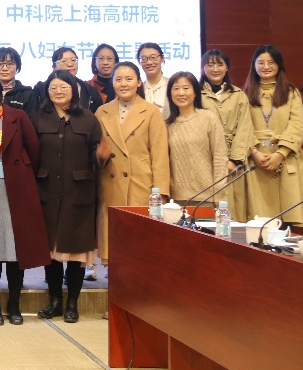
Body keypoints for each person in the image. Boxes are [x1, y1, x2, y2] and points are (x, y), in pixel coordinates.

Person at [0, 72, 50, 326]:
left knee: (16, 249)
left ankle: (14, 305)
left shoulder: (18, 116)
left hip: (18, 190)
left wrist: (23, 176)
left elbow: (34, 150)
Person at [30, 71, 103, 324]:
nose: (58, 91)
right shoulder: (38, 118)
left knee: (76, 253)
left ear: (74, 89)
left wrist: (101, 156)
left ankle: (73, 303)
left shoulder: (89, 119)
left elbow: (97, 154)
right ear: (47, 92)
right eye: (53, 87)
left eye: (63, 87)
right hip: (46, 190)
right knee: (51, 252)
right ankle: (54, 302)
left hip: (79, 193)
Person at [94, 62, 170, 264]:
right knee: (115, 246)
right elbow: (95, 149)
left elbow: (160, 154)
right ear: (112, 83)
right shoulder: (102, 112)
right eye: (118, 79)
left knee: (140, 247)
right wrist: (100, 156)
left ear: (138, 82)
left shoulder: (151, 112)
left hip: (141, 185)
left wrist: (161, 192)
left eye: (129, 79)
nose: (123, 84)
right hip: (111, 184)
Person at [243, 45, 303, 225]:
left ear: (279, 65)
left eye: (271, 62)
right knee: (259, 221)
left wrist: (280, 154)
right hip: (256, 161)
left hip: (285, 158)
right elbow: (242, 128)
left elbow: (298, 125)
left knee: (286, 219)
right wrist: (255, 152)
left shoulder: (291, 92)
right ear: (254, 65)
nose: (266, 66)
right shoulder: (244, 95)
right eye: (261, 62)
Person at [200, 49, 254, 220]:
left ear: (227, 68)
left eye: (219, 64)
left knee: (233, 210)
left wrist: (235, 160)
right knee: (207, 211)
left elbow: (245, 128)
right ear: (203, 69)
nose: (215, 69)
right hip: (205, 160)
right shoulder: (196, 95)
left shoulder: (238, 95)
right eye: (210, 65)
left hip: (233, 164)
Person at [166, 72, 229, 203]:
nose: (181, 93)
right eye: (176, 89)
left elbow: (220, 158)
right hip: (176, 200)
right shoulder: (167, 125)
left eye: (186, 88)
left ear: (195, 92)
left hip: (207, 197)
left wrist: (219, 195)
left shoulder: (209, 118)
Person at [33, 47, 103, 113]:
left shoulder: (90, 90)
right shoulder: (40, 90)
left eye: (73, 60)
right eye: (64, 61)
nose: (70, 64)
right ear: (54, 66)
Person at [0, 46, 37, 115]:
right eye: (0, 64)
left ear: (17, 67)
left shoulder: (27, 94)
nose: (5, 68)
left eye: (10, 64)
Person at [137, 42, 169, 119]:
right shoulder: (137, 89)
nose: (149, 62)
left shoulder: (172, 85)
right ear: (139, 62)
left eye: (153, 57)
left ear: (162, 58)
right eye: (144, 59)